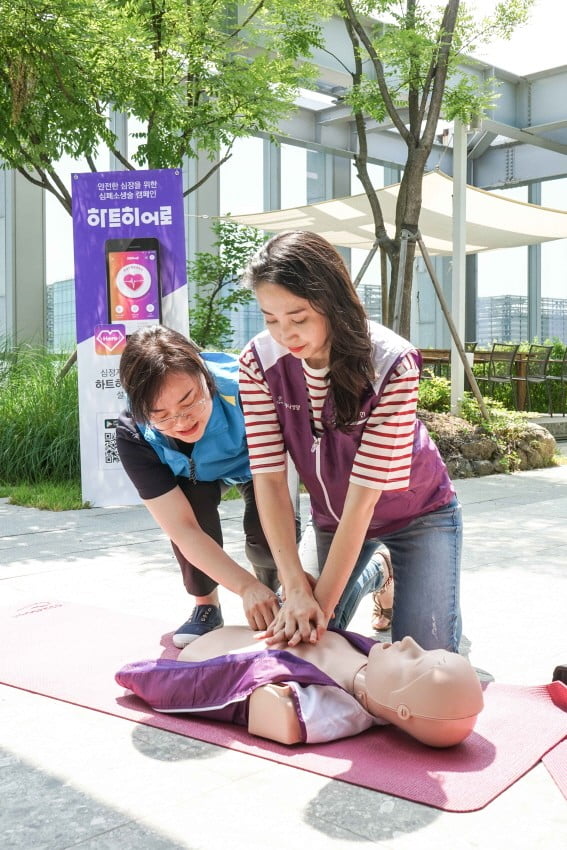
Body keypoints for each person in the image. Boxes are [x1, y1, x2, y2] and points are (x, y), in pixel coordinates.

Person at [239, 230, 462, 651]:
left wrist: (314, 613)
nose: (285, 333)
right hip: (333, 519)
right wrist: (295, 589)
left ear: (331, 301)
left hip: (419, 514)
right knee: (298, 641)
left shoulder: (392, 362)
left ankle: (387, 570)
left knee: (424, 666)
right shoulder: (257, 362)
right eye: (270, 319)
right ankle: (378, 569)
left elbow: (364, 502)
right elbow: (268, 479)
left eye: (299, 317)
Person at [117, 325, 282, 648]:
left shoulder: (250, 388)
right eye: (161, 415)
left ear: (206, 378)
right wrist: (243, 586)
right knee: (192, 514)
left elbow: (279, 483)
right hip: (196, 475)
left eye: (189, 401)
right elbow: (183, 529)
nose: (181, 421)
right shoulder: (134, 435)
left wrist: (261, 587)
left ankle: (274, 593)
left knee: (265, 534)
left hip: (258, 463)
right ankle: (206, 605)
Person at [115, 629, 483, 747]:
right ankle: (379, 573)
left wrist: (139, 674)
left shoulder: (330, 710)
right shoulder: (374, 660)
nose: (408, 641)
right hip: (269, 626)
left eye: (414, 660)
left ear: (402, 710)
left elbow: (274, 713)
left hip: (211, 655)